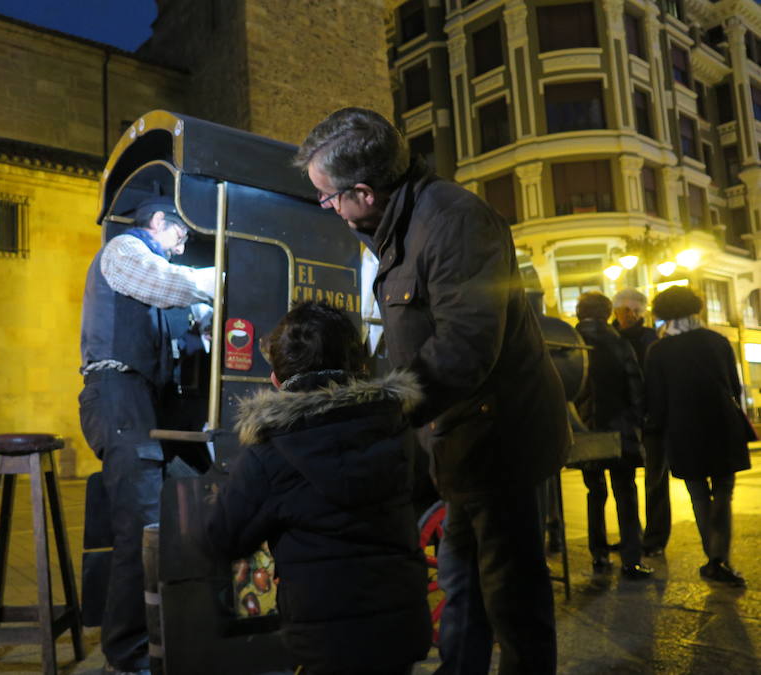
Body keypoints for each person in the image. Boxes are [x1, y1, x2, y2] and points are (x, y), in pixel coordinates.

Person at [295, 108, 569, 675]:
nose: (328, 209)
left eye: (327, 198)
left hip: (501, 437)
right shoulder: (399, 222)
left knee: (511, 588)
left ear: (363, 194)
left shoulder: (453, 220)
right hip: (457, 436)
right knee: (461, 575)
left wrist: (381, 411)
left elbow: (465, 346)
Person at [204, 302, 432, 675]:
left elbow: (222, 536)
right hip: (400, 629)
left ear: (276, 379)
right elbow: (421, 493)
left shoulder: (270, 452)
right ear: (358, 366)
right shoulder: (396, 428)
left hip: (324, 642)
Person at [78, 197, 215, 674]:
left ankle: (159, 639)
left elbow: (193, 319)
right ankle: (127, 654)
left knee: (156, 527)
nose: (180, 249)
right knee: (139, 530)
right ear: (159, 222)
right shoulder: (124, 252)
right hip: (117, 394)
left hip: (139, 400)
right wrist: (221, 278)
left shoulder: (158, 280)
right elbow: (164, 282)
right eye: (180, 237)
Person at [644, 285, 752, 588]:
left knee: (698, 494)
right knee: (723, 492)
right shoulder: (717, 341)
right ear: (696, 308)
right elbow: (735, 386)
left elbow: (657, 400)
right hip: (722, 426)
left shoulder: (659, 350)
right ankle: (720, 557)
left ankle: (713, 558)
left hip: (684, 430)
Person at [573, 292, 652, 580]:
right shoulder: (619, 342)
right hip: (620, 431)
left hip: (583, 431)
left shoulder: (569, 342)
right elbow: (636, 387)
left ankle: (599, 555)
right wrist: (636, 422)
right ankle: (631, 559)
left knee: (595, 493)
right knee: (626, 494)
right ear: (607, 313)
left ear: (579, 313)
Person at [611, 288, 667, 556]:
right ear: (616, 311)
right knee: (625, 483)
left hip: (651, 419)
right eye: (626, 309)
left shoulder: (651, 339)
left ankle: (655, 538)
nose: (631, 314)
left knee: (655, 480)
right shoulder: (610, 337)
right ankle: (631, 536)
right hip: (622, 418)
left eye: (636, 309)